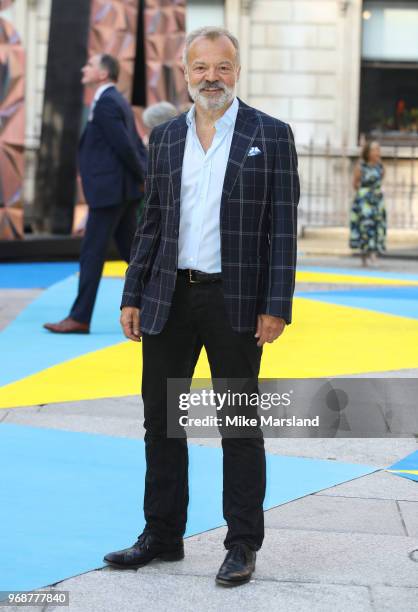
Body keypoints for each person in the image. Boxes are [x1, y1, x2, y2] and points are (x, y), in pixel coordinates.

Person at [103, 27, 299, 586]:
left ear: (237, 71)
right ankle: (162, 536)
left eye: (223, 67)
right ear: (184, 73)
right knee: (161, 423)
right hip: (168, 296)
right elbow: (152, 222)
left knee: (238, 426)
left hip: (236, 302)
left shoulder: (272, 135)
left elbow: (283, 230)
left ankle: (242, 544)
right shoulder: (164, 138)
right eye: (200, 68)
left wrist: (276, 304)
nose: (211, 77)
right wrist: (133, 293)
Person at [43, 54, 147, 334]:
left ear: (102, 74)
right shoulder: (115, 100)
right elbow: (133, 142)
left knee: (92, 254)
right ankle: (162, 306)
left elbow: (126, 146)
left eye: (89, 65)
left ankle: (79, 317)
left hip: (110, 193)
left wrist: (143, 178)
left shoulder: (107, 102)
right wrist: (141, 179)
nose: (83, 68)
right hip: (118, 192)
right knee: (134, 254)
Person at [349, 140, 386, 267]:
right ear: (368, 152)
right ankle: (365, 256)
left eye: (378, 150)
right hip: (364, 202)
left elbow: (381, 181)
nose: (378, 152)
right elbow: (355, 184)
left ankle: (373, 255)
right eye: (375, 149)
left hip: (377, 201)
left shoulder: (380, 166)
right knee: (365, 227)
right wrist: (365, 192)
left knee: (376, 227)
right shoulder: (361, 166)